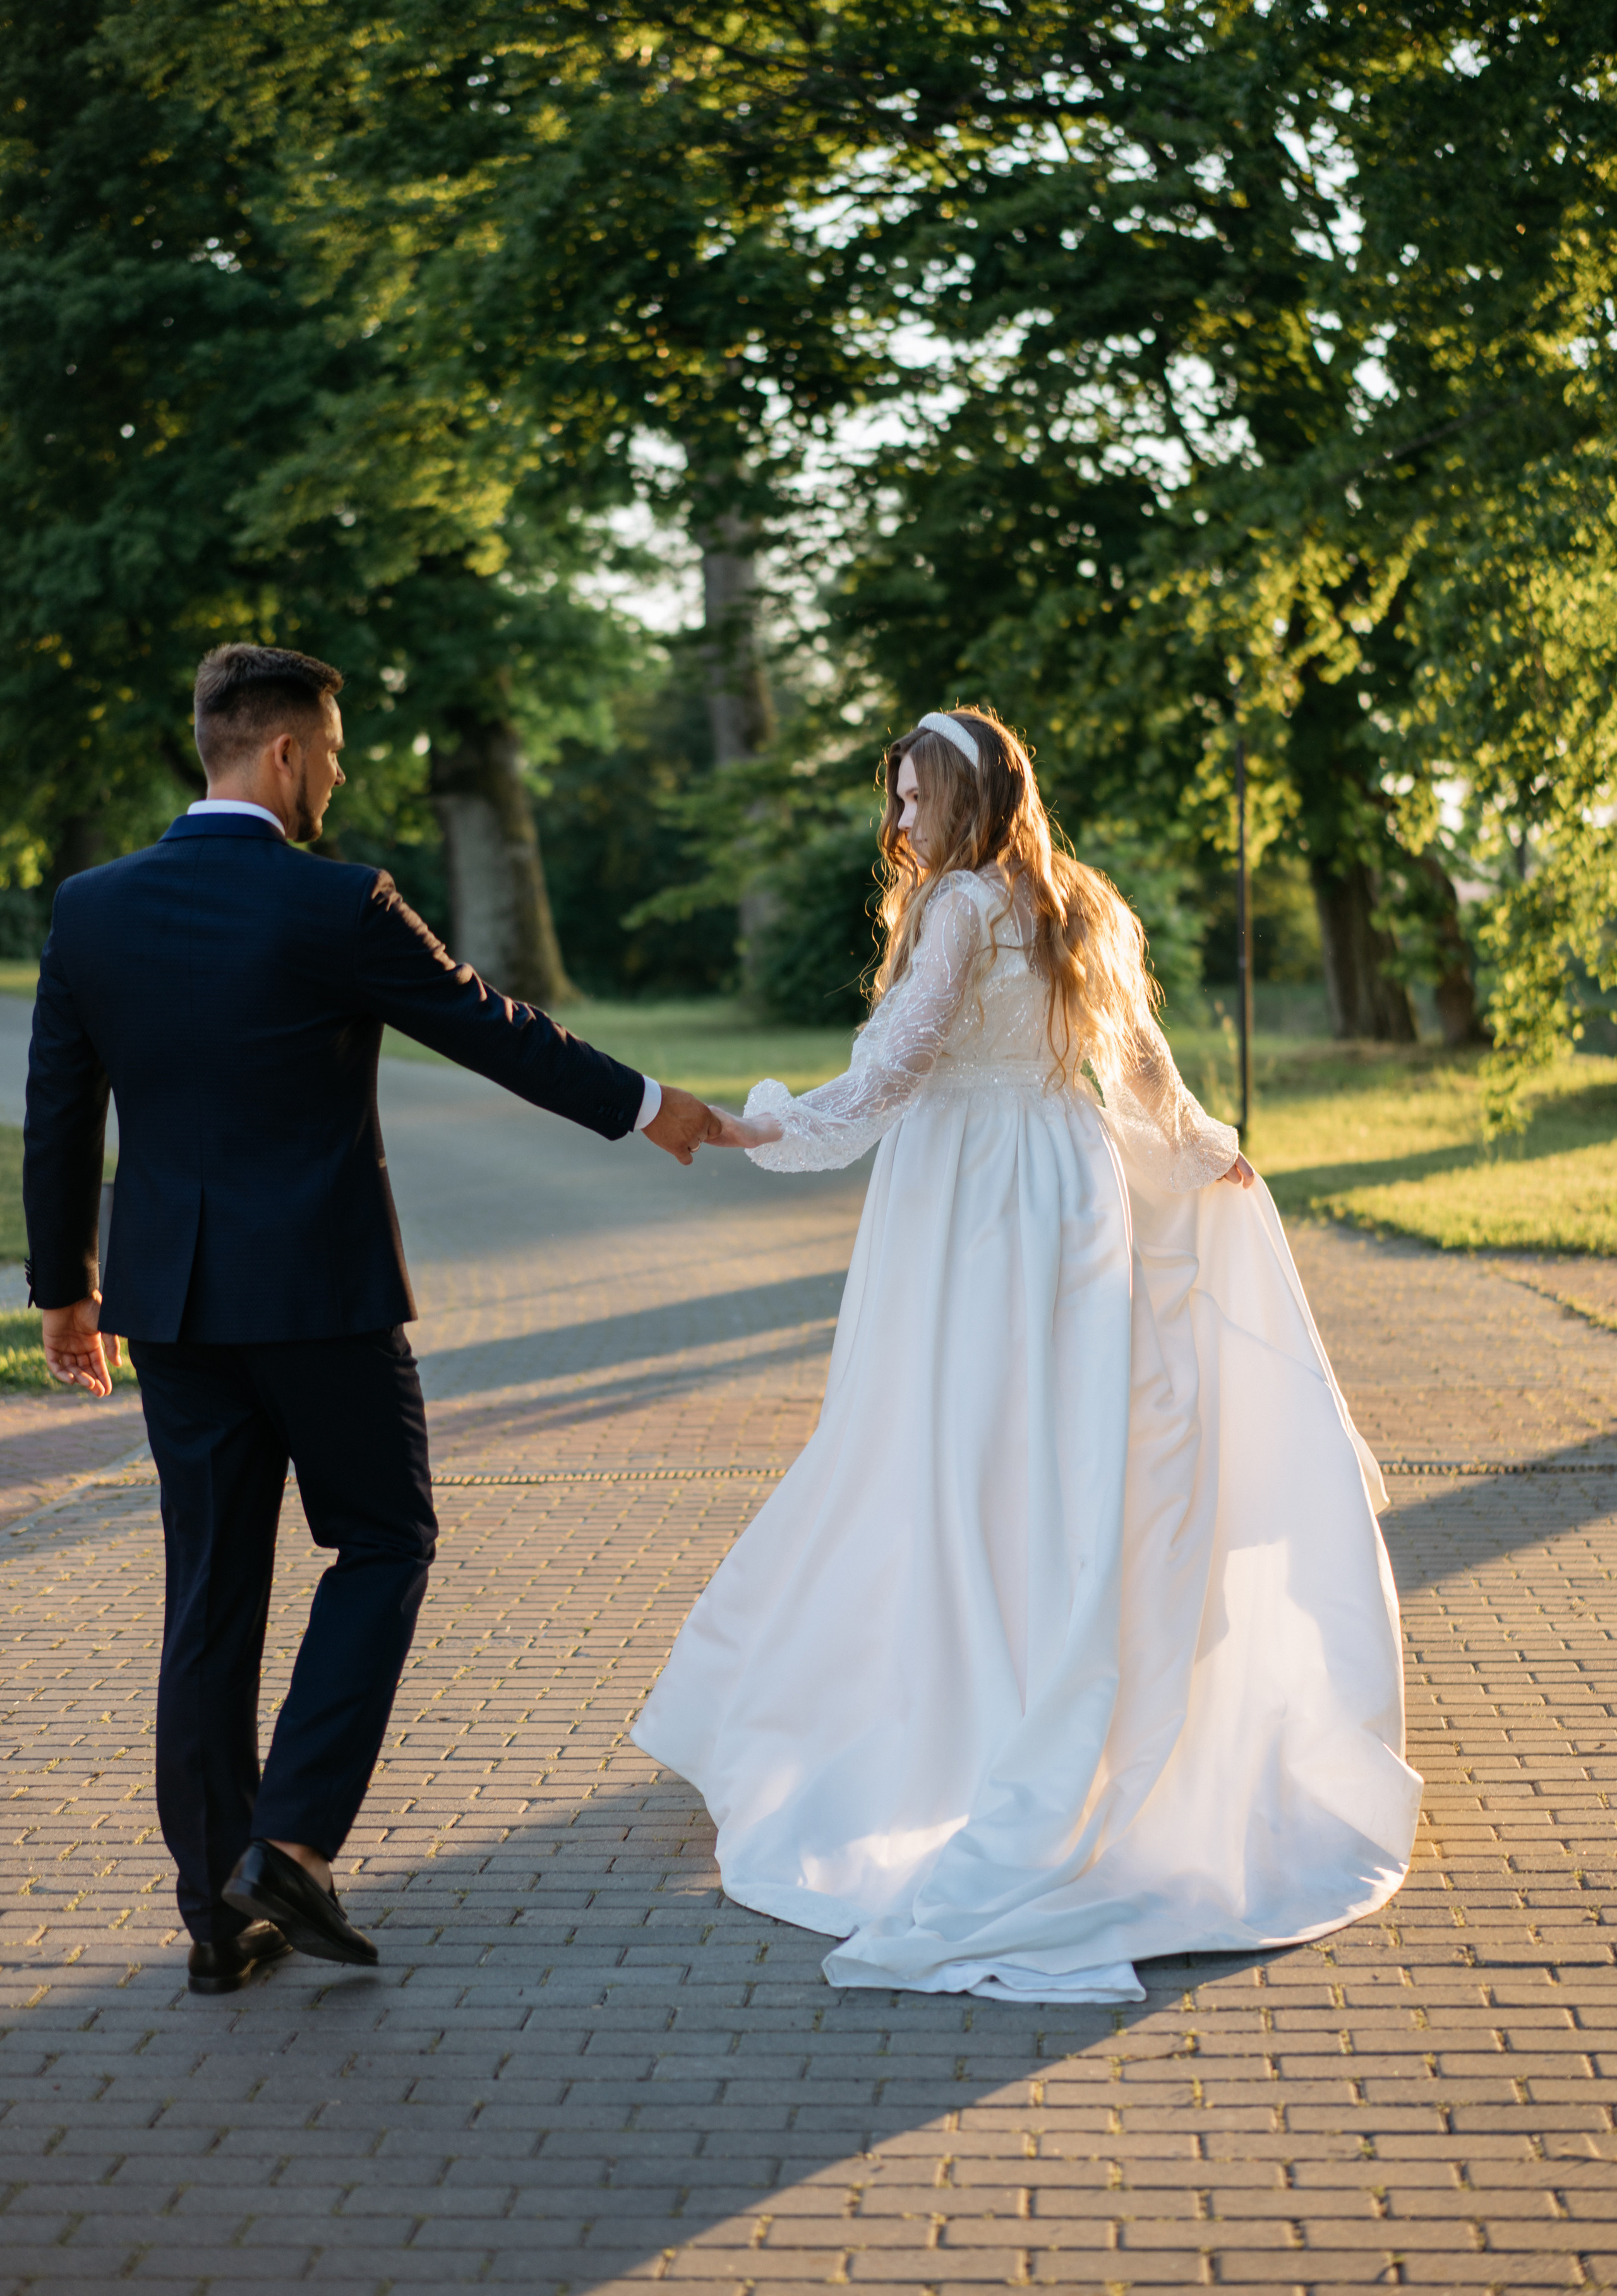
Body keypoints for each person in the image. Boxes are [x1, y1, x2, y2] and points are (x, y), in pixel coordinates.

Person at [644, 705, 1421, 2002]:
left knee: (953, 1442)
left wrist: (757, 1124)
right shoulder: (1079, 902)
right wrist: (1203, 1152)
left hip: (974, 1204)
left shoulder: (954, 907)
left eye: (907, 798)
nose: (893, 822)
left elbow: (889, 1077)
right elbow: (1147, 1073)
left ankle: (982, 1715)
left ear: (957, 799)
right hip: (1072, 1192)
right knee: (1069, 1440)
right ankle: (1054, 1656)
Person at [24, 642, 722, 1996]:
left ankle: (220, 1916)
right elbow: (491, 1027)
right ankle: (287, 1841)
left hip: (169, 1307)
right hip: (322, 1306)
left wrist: (66, 1290)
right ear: (283, 752)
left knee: (209, 1595)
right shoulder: (337, 905)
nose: (338, 773)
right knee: (386, 1536)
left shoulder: (93, 907)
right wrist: (652, 1106)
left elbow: (61, 1110)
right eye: (333, 751)